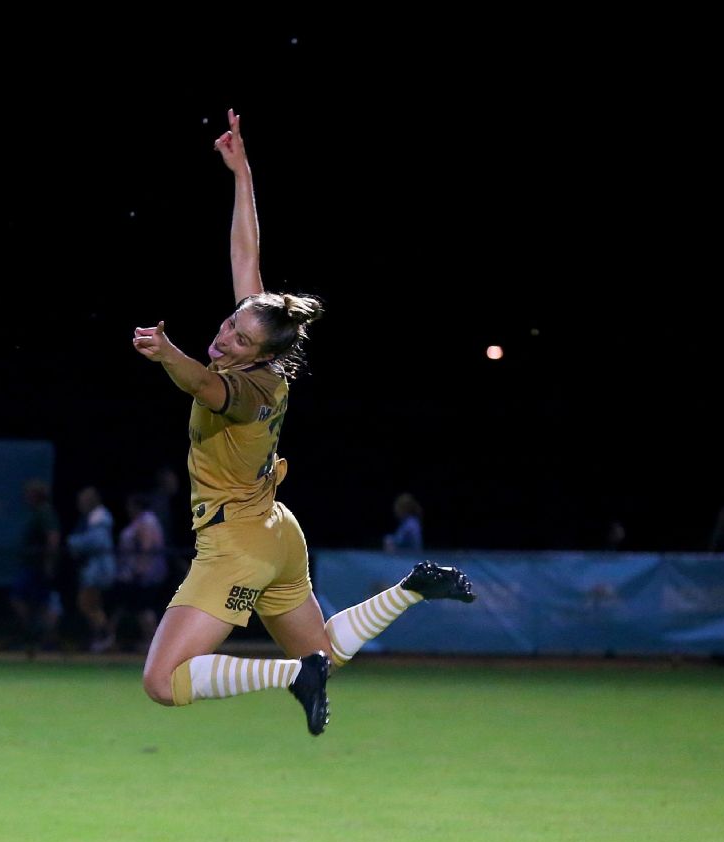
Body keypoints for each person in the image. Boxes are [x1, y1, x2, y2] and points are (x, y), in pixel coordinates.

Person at [131, 109, 476, 736]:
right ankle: (412, 589)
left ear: (262, 355)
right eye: (230, 324)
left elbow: (203, 382)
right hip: (278, 533)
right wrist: (242, 174)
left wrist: (167, 351)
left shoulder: (246, 387)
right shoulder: (268, 355)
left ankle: (293, 677)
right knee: (326, 655)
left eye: (239, 336)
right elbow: (247, 256)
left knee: (162, 682)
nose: (225, 335)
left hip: (237, 543)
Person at [109, 493, 169, 652]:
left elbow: (146, 548)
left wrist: (139, 571)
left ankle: (156, 645)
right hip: (135, 574)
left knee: (144, 608)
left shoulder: (147, 520)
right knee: (135, 608)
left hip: (145, 575)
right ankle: (151, 643)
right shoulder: (140, 520)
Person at [10, 478, 63, 654]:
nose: (26, 496)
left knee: (40, 603)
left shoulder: (44, 512)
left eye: (29, 493)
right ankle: (37, 636)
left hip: (38, 566)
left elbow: (53, 537)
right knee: (34, 602)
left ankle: (42, 637)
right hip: (33, 566)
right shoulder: (37, 512)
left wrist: (49, 562)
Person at [67, 485, 119, 652]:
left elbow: (96, 542)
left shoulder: (100, 518)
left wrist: (73, 542)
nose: (80, 503)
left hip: (98, 570)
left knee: (88, 604)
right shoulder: (91, 517)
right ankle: (102, 638)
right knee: (92, 605)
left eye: (83, 500)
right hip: (93, 569)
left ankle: (107, 637)